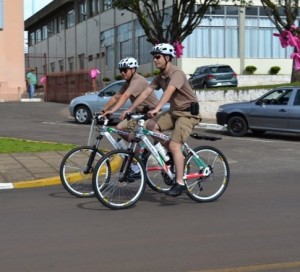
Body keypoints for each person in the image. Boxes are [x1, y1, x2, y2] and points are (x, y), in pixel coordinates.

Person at [121, 43, 202, 197]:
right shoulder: (160, 76)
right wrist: (130, 109)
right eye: (154, 57)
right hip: (174, 112)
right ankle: (171, 152)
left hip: (188, 114)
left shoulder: (176, 73)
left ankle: (180, 183)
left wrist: (157, 108)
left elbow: (169, 91)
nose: (155, 60)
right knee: (150, 125)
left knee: (175, 145)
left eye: (157, 57)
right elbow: (146, 92)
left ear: (167, 57)